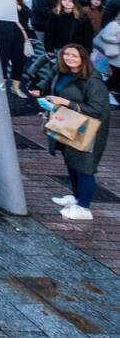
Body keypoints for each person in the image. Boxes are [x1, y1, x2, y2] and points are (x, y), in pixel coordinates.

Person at [30, 45, 111, 221]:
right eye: (66, 54)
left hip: (87, 131)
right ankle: (76, 198)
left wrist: (66, 102)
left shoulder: (93, 81)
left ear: (83, 58)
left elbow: (98, 110)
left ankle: (84, 207)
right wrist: (42, 92)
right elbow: (52, 86)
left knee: (84, 168)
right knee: (72, 162)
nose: (69, 58)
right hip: (68, 126)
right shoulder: (62, 73)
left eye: (74, 55)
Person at [0, 0, 35, 98]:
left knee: (19, 63)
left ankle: (15, 87)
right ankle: (1, 87)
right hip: (3, 39)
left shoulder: (22, 7)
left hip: (19, 39)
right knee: (2, 62)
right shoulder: (0, 7)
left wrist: (18, 7)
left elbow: (29, 14)